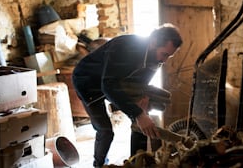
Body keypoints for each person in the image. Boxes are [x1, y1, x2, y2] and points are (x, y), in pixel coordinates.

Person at [72, 23, 183, 167]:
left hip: (117, 80)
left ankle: (136, 161)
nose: (165, 60)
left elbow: (141, 84)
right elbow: (108, 85)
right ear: (154, 42)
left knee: (154, 106)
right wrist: (138, 114)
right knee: (105, 131)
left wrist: (142, 107)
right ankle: (98, 164)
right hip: (89, 83)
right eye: (164, 54)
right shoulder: (125, 47)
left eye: (169, 56)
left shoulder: (156, 58)